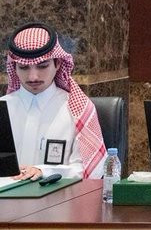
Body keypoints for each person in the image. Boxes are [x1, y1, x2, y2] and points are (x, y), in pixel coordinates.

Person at [2, 23, 106, 180]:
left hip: (60, 195)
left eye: (42, 66)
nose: (33, 77)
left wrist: (45, 171)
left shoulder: (79, 109)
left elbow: (88, 171)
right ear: (14, 67)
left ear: (57, 63)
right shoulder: (4, 107)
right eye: (23, 67)